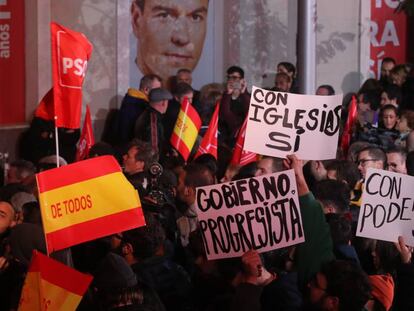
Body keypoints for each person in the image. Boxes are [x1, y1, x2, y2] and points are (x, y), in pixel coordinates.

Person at [131, 0, 209, 84]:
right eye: (164, 15)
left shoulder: (202, 95)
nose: (182, 38)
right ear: (137, 20)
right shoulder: (124, 92)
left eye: (195, 17)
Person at [117, 74, 162, 145]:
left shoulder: (132, 102)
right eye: (157, 90)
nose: (160, 94)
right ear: (146, 90)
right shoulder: (139, 107)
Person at [135, 88, 173, 156]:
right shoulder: (153, 120)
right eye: (167, 102)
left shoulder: (145, 114)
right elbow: (153, 150)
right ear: (164, 102)